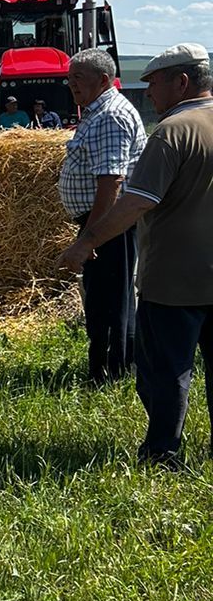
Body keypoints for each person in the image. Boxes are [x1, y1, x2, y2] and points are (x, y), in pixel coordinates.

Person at [61, 43, 213, 465]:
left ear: (182, 81)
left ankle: (161, 452)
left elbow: (133, 201)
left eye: (154, 82)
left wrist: (87, 241)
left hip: (174, 276)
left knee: (164, 370)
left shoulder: (172, 132)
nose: (147, 93)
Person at [57, 47, 146, 384]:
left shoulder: (109, 115)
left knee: (107, 300)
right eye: (69, 78)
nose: (71, 85)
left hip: (108, 224)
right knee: (110, 296)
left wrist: (91, 237)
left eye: (78, 78)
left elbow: (110, 183)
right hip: (103, 222)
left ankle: (108, 373)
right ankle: (117, 365)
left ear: (103, 79)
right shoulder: (97, 111)